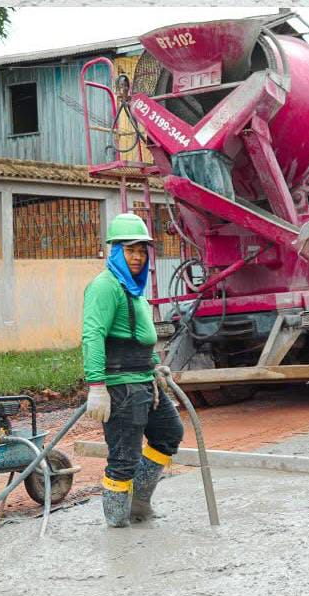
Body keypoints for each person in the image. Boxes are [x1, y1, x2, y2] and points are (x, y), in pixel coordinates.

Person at [82, 213, 184, 527]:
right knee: (124, 458)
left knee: (169, 433)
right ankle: (117, 524)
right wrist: (97, 386)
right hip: (121, 386)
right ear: (116, 251)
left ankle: (138, 503)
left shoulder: (132, 288)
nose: (138, 256)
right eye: (130, 250)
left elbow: (138, 334)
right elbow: (93, 334)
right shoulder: (105, 287)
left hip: (143, 379)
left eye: (142, 250)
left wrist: (154, 366)